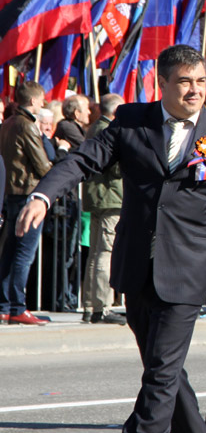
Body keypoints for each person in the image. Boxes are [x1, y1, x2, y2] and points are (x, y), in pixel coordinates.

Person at [17, 45, 206, 433]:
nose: (195, 90)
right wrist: (43, 194)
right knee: (163, 371)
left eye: (201, 81)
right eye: (184, 81)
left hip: (187, 270)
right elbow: (83, 160)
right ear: (161, 84)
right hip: (136, 265)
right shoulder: (131, 121)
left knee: (162, 373)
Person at [0, 81, 53, 325]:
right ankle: (17, 306)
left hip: (11, 192)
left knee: (10, 250)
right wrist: (58, 175)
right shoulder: (27, 125)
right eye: (41, 100)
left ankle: (5, 305)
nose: (43, 104)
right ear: (33, 100)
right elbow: (42, 164)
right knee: (24, 252)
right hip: (28, 193)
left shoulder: (8, 122)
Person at [82, 93, 126, 325]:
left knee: (96, 253)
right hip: (110, 196)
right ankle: (103, 307)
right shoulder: (107, 129)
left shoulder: (94, 127)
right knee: (105, 253)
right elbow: (114, 166)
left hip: (99, 196)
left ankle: (91, 305)